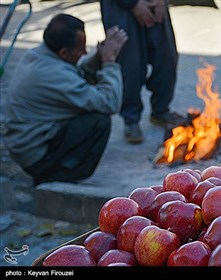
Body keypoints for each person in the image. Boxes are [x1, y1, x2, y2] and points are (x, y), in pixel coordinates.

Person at [3, 14, 128, 186]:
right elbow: (110, 102)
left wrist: (98, 57)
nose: (84, 53)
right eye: (80, 50)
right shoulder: (51, 73)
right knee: (99, 121)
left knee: (87, 112)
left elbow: (76, 77)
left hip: (25, 144)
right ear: (63, 52)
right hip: (35, 156)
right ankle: (57, 177)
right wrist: (109, 62)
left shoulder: (38, 54)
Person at [99, 0, 184, 144]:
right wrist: (132, 4)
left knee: (166, 58)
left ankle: (160, 110)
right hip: (119, 6)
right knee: (130, 65)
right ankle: (131, 118)